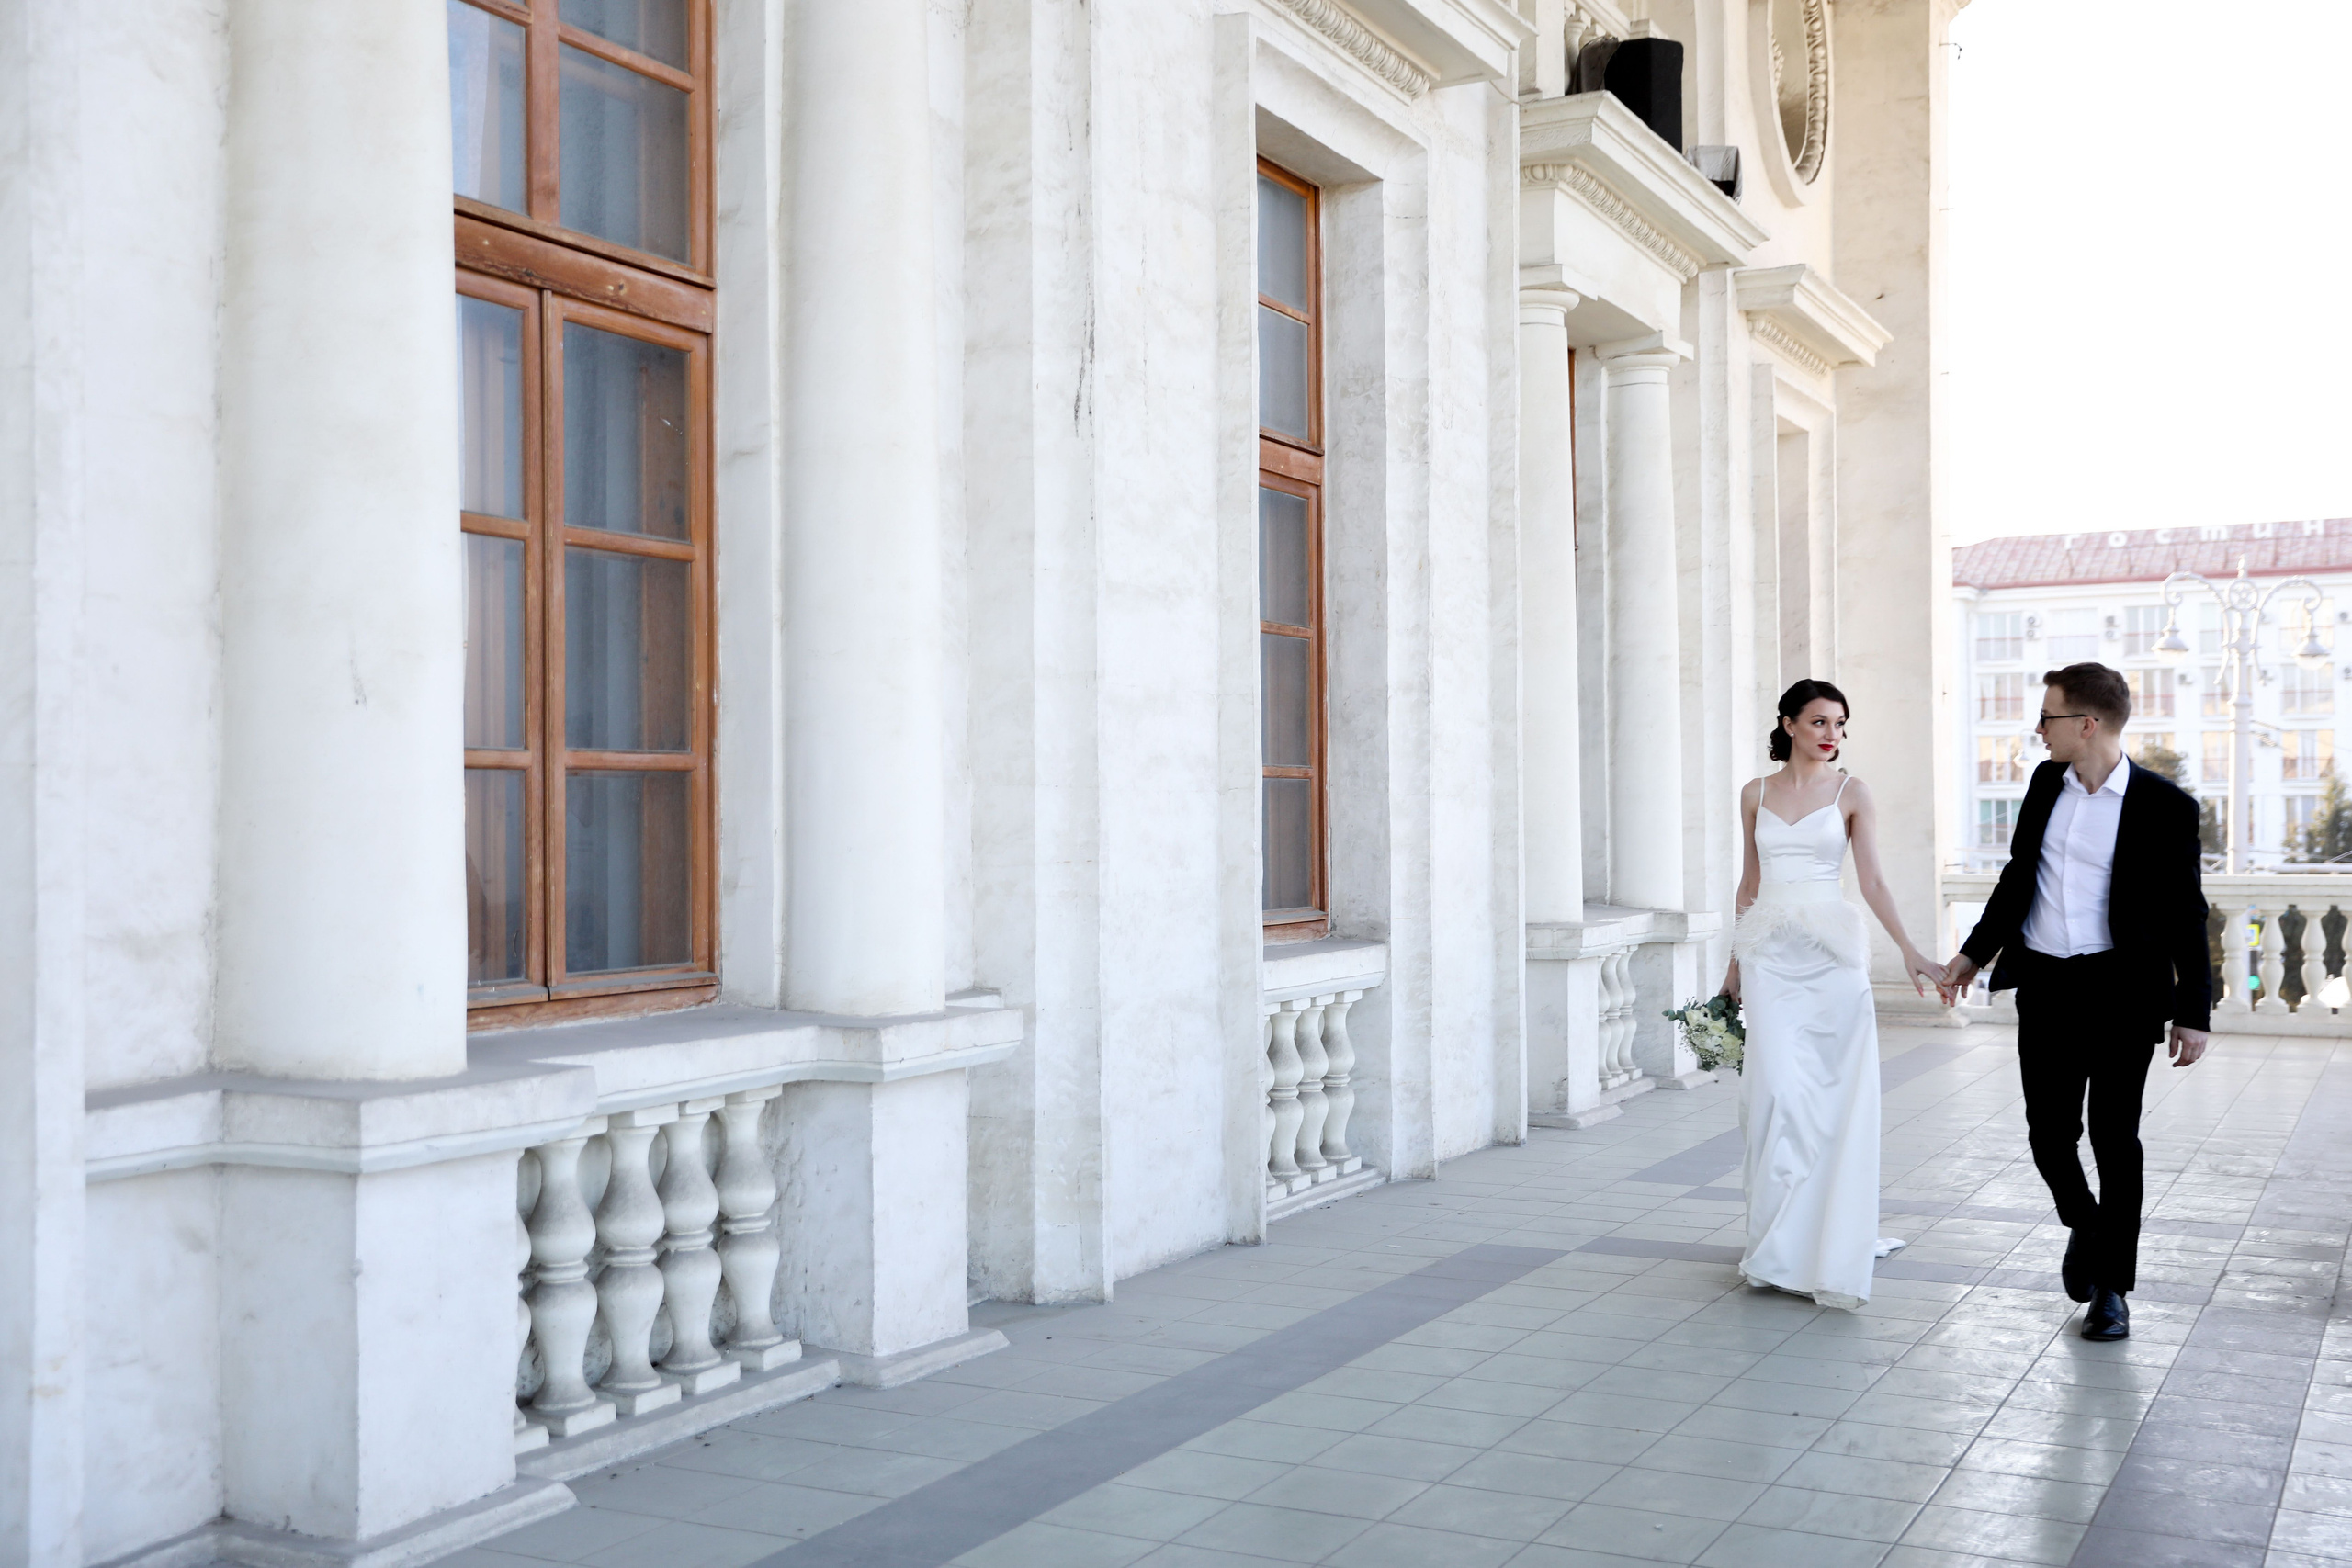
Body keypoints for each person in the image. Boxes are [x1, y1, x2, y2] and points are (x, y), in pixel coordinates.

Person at [1943, 662, 2209, 1342]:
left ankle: (2112, 1288)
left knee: (2114, 1138)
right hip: (2047, 987)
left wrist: (2194, 1011)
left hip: (2123, 992)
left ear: (2087, 724)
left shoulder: (2166, 806)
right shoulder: (2044, 784)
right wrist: (1972, 953)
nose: (2038, 728)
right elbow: (2017, 879)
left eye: (2048, 716)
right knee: (2048, 1133)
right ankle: (2087, 1226)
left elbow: (2187, 915)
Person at [1723, 680, 1946, 1308]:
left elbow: (1871, 880)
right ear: (1789, 723)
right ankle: (1778, 1242)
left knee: (1832, 1099)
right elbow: (1750, 883)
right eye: (1820, 721)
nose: (1832, 734)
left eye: (1840, 724)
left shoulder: (1852, 792)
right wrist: (1733, 966)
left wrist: (1910, 949)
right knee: (1776, 1095)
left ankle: (1826, 1237)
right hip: (1770, 956)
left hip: (1831, 962)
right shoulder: (1754, 792)